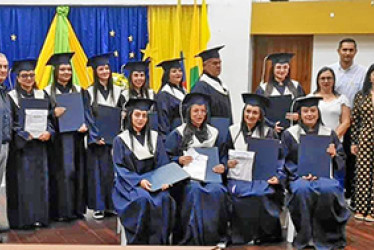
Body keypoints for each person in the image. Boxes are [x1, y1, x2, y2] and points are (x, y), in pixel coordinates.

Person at [281, 96, 350, 249]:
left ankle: (327, 237)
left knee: (329, 189)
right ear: (300, 114)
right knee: (302, 189)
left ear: (318, 113)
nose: (309, 114)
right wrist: (299, 174)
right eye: (305, 111)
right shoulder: (289, 134)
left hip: (324, 176)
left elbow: (341, 159)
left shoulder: (329, 133)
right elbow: (285, 161)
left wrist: (334, 155)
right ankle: (306, 236)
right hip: (300, 177)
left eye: (313, 110)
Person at [165, 93, 228, 246]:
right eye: (196, 111)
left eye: (203, 111)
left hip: (211, 176)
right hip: (187, 179)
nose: (200, 114)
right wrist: (178, 160)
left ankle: (214, 237)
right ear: (189, 112)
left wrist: (223, 166)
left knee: (218, 191)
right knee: (194, 191)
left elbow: (223, 155)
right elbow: (166, 158)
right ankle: (191, 238)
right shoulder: (178, 134)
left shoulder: (214, 133)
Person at [112, 98, 175, 245]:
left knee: (165, 199)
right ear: (130, 116)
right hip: (129, 184)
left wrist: (165, 180)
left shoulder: (155, 137)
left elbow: (162, 163)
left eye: (144, 116)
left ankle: (160, 242)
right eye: (137, 115)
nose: (141, 119)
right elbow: (120, 168)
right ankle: (140, 243)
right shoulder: (120, 140)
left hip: (154, 182)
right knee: (143, 199)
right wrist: (139, 181)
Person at [225, 93, 283, 245]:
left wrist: (278, 176)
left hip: (261, 177)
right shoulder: (232, 131)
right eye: (248, 111)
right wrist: (226, 164)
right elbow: (222, 155)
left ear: (260, 116)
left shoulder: (268, 133)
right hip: (238, 177)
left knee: (262, 193)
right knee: (239, 194)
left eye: (255, 112)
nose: (250, 115)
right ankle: (241, 236)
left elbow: (279, 158)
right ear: (243, 112)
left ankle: (264, 235)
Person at [6, 59, 54, 229]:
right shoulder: (11, 97)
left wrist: (49, 131)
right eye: (24, 76)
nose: (28, 78)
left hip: (40, 147)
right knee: (24, 183)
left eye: (31, 75)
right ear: (17, 78)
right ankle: (24, 220)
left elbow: (49, 119)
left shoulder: (42, 95)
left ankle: (40, 217)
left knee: (41, 181)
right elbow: (10, 123)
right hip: (22, 149)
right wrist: (24, 134)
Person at [44, 52, 88, 221]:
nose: (66, 73)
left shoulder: (78, 90)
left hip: (77, 137)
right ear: (56, 72)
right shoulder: (47, 92)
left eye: (69, 70)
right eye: (62, 70)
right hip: (59, 141)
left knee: (77, 171)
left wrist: (85, 125)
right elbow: (43, 116)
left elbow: (87, 114)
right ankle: (62, 212)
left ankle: (77, 209)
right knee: (62, 173)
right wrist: (52, 113)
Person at [86, 53, 124, 220]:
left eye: (107, 68)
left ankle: (112, 205)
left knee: (112, 172)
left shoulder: (118, 91)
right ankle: (99, 207)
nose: (104, 71)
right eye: (101, 68)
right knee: (98, 173)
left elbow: (122, 112)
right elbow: (88, 117)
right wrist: (95, 136)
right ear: (95, 71)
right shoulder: (89, 92)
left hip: (114, 138)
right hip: (98, 140)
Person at [329, 38, 367, 200]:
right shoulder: (331, 71)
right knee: (333, 156)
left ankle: (350, 195)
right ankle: (334, 191)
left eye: (351, 50)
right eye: (344, 50)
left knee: (352, 159)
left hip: (354, 124)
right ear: (339, 51)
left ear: (355, 52)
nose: (347, 53)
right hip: (333, 123)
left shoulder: (363, 72)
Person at [310, 67, 351, 188]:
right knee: (314, 178)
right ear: (318, 80)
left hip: (336, 144)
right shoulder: (310, 97)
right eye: (322, 78)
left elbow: (346, 121)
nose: (326, 81)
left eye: (329, 78)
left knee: (335, 178)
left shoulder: (342, 99)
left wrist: (332, 138)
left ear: (334, 80)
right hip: (314, 143)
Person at [256, 53, 305, 130]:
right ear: (273, 69)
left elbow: (304, 107)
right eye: (278, 67)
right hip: (269, 131)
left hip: (292, 130)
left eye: (285, 67)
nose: (282, 71)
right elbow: (258, 111)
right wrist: (271, 125)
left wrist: (299, 115)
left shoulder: (296, 86)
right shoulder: (263, 88)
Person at [350, 64, 374, 222]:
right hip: (365, 136)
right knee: (362, 173)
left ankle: (373, 210)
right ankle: (360, 208)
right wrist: (354, 141)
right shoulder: (361, 95)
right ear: (369, 76)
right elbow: (355, 121)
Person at [192, 46, 232, 123]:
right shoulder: (201, 87)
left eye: (219, 63)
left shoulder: (222, 86)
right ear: (204, 66)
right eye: (215, 63)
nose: (218, 66)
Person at [156, 58, 185, 140]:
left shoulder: (184, 91)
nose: (178, 74)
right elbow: (163, 121)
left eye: (180, 71)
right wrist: (167, 140)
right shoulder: (164, 95)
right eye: (174, 71)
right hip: (173, 135)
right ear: (167, 74)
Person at [0, 53, 11, 236]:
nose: (2, 70)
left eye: (4, 67)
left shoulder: (5, 92)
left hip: (3, 144)